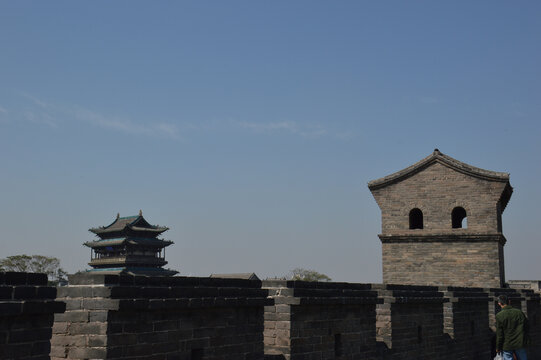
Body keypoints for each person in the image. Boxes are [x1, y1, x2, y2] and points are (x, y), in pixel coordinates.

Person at [495, 294, 529, 360]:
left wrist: (498, 347)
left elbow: (499, 334)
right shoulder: (519, 312)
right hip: (520, 343)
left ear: (499, 303)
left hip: (507, 345)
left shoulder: (499, 316)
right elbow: (527, 327)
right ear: (509, 301)